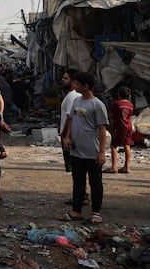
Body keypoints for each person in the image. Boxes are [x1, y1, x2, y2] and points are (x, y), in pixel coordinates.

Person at [60, 71, 108, 224]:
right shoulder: (77, 102)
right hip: (76, 150)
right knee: (78, 182)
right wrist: (67, 136)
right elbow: (72, 120)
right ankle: (76, 211)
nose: (75, 86)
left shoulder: (97, 105)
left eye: (77, 84)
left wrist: (101, 152)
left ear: (86, 86)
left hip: (92, 152)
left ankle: (96, 212)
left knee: (95, 182)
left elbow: (102, 130)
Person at [104, 87, 134, 174]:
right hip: (128, 126)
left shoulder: (116, 103)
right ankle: (126, 167)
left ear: (119, 95)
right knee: (127, 145)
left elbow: (111, 114)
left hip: (119, 127)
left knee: (113, 146)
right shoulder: (131, 105)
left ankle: (114, 167)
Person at [58, 70, 80, 173]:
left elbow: (70, 117)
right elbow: (79, 114)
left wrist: (65, 134)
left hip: (68, 133)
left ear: (73, 81)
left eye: (66, 78)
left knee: (70, 165)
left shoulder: (72, 97)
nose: (63, 80)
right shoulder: (76, 96)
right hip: (73, 132)